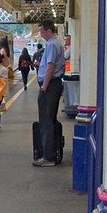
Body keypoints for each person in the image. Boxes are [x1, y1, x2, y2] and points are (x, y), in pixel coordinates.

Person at [33, 20, 66, 167]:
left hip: (50, 86)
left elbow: (51, 67)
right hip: (55, 84)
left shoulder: (52, 44)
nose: (41, 35)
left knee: (46, 121)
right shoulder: (57, 42)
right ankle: (50, 155)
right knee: (49, 119)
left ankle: (48, 157)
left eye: (42, 32)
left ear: (48, 31)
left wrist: (44, 88)